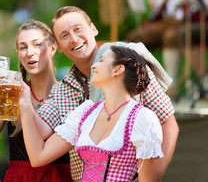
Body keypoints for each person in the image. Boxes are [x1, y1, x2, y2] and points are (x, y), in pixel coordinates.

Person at [34, 6, 179, 181]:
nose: (73, 39)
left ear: (93, 29)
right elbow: (40, 134)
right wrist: (23, 95)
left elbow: (169, 123)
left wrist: (152, 176)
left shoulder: (128, 67)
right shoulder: (62, 90)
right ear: (60, 48)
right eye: (64, 35)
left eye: (78, 29)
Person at [20, 45, 164, 181]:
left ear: (118, 69)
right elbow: (38, 157)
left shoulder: (143, 119)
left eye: (101, 60)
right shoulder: (86, 112)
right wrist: (25, 103)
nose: (93, 66)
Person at [0, 20, 72, 181]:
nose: (29, 52)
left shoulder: (69, 94)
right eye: (23, 47)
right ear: (19, 54)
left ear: (53, 48)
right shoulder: (11, 90)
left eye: (37, 45)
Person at [126, 0, 208, 99]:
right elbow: (153, 5)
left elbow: (203, 4)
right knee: (135, 36)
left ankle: (171, 88)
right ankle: (140, 87)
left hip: (192, 21)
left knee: (173, 35)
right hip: (166, 21)